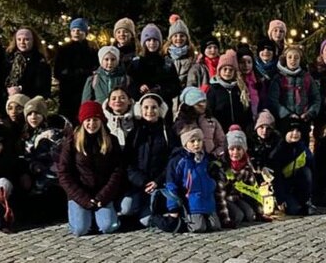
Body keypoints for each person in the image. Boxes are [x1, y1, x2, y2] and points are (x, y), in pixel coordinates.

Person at [58, 101, 125, 236]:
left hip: (102, 194)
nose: (92, 123)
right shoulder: (72, 142)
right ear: (82, 121)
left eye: (95, 119)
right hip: (80, 194)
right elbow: (64, 174)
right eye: (88, 120)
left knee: (108, 227)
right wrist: (84, 199)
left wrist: (103, 196)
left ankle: (98, 217)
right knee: (80, 230)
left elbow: (117, 171)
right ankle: (85, 217)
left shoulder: (111, 140)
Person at [122, 93, 178, 226]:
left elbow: (173, 161)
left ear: (160, 109)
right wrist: (143, 181)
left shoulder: (167, 132)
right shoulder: (134, 133)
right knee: (126, 208)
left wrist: (157, 181)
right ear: (140, 110)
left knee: (146, 221)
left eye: (154, 107)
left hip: (159, 184)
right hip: (138, 184)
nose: (150, 111)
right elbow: (127, 162)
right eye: (146, 107)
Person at [19, 96, 70, 223]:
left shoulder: (51, 134)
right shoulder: (29, 134)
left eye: (37, 113)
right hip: (36, 177)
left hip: (50, 181)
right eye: (29, 114)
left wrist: (34, 165)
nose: (33, 117)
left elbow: (51, 161)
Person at [164, 126, 221, 232]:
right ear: (185, 143)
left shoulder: (206, 158)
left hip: (207, 199)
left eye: (199, 140)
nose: (196, 144)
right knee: (198, 227)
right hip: (191, 201)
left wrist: (213, 181)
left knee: (215, 226)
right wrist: (173, 207)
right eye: (192, 141)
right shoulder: (179, 160)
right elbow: (171, 184)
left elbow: (213, 175)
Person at [221, 125, 274, 222]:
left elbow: (253, 190)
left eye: (239, 149)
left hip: (237, 197)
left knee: (250, 215)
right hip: (224, 199)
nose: (235, 153)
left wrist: (259, 213)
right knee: (238, 216)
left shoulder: (246, 166)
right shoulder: (223, 166)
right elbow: (219, 194)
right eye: (232, 149)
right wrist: (226, 219)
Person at [54, 18, 98, 123]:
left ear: (85, 32)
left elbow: (95, 69)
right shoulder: (63, 50)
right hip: (67, 91)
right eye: (73, 30)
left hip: (85, 89)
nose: (76, 33)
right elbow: (58, 71)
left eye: (79, 30)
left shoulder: (91, 50)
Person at [269, 117, 315, 215]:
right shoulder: (279, 150)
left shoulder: (302, 147)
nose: (295, 133)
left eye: (298, 130)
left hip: (297, 186)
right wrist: (280, 198)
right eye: (291, 130)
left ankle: (306, 201)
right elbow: (276, 177)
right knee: (293, 210)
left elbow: (312, 166)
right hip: (283, 188)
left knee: (306, 171)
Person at [128, 24, 180, 103]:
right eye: (149, 40)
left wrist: (161, 89)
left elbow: (176, 86)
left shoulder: (167, 63)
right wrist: (139, 87)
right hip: (142, 106)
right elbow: (130, 85)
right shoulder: (136, 63)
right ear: (144, 42)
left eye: (155, 40)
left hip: (163, 106)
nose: (152, 43)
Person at [269, 45, 320, 124]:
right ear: (285, 59)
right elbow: (273, 100)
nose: (293, 60)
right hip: (284, 120)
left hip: (304, 119)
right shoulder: (279, 78)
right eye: (290, 57)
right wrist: (286, 114)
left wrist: (309, 113)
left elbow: (316, 98)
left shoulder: (307, 77)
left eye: (296, 58)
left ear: (300, 60)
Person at [174, 86, 227, 158]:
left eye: (204, 101)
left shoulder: (211, 120)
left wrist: (216, 154)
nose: (203, 105)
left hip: (211, 158)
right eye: (198, 104)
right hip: (189, 160)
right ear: (190, 105)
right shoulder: (182, 124)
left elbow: (222, 141)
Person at [207, 51, 252, 133]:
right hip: (221, 130)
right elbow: (210, 111)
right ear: (219, 70)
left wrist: (248, 126)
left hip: (240, 129)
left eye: (231, 70)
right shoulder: (214, 89)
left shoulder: (240, 88)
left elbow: (247, 109)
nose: (227, 72)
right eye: (225, 69)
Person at [4, 28, 52, 100]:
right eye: (19, 39)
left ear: (33, 41)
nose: (22, 42)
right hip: (7, 99)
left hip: (29, 101)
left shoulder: (40, 61)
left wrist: (21, 88)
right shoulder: (9, 57)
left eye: (26, 39)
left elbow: (42, 86)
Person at [164, 19, 207, 94]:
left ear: (187, 38)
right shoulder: (164, 58)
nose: (179, 38)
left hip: (188, 98)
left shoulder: (194, 59)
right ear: (171, 38)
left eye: (182, 36)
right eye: (175, 36)